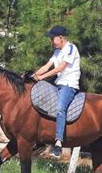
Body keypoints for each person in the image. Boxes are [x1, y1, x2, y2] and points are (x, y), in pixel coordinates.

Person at [32, 25, 81, 158]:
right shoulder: (57, 51)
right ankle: (41, 138)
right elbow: (47, 66)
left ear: (60, 38)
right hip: (58, 84)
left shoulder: (71, 48)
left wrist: (42, 77)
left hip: (68, 85)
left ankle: (58, 143)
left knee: (60, 109)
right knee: (41, 102)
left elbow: (61, 67)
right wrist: (34, 75)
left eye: (53, 38)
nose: (51, 41)